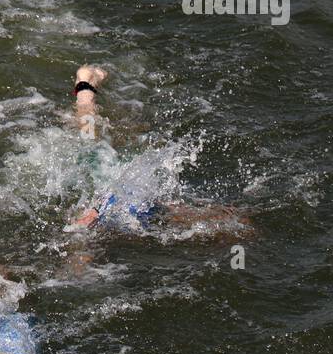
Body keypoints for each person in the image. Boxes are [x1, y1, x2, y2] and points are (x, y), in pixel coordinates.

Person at [66, 65, 250, 234]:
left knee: (94, 132)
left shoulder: (152, 209)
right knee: (90, 131)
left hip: (115, 176)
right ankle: (85, 82)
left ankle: (87, 87)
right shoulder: (110, 216)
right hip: (106, 173)